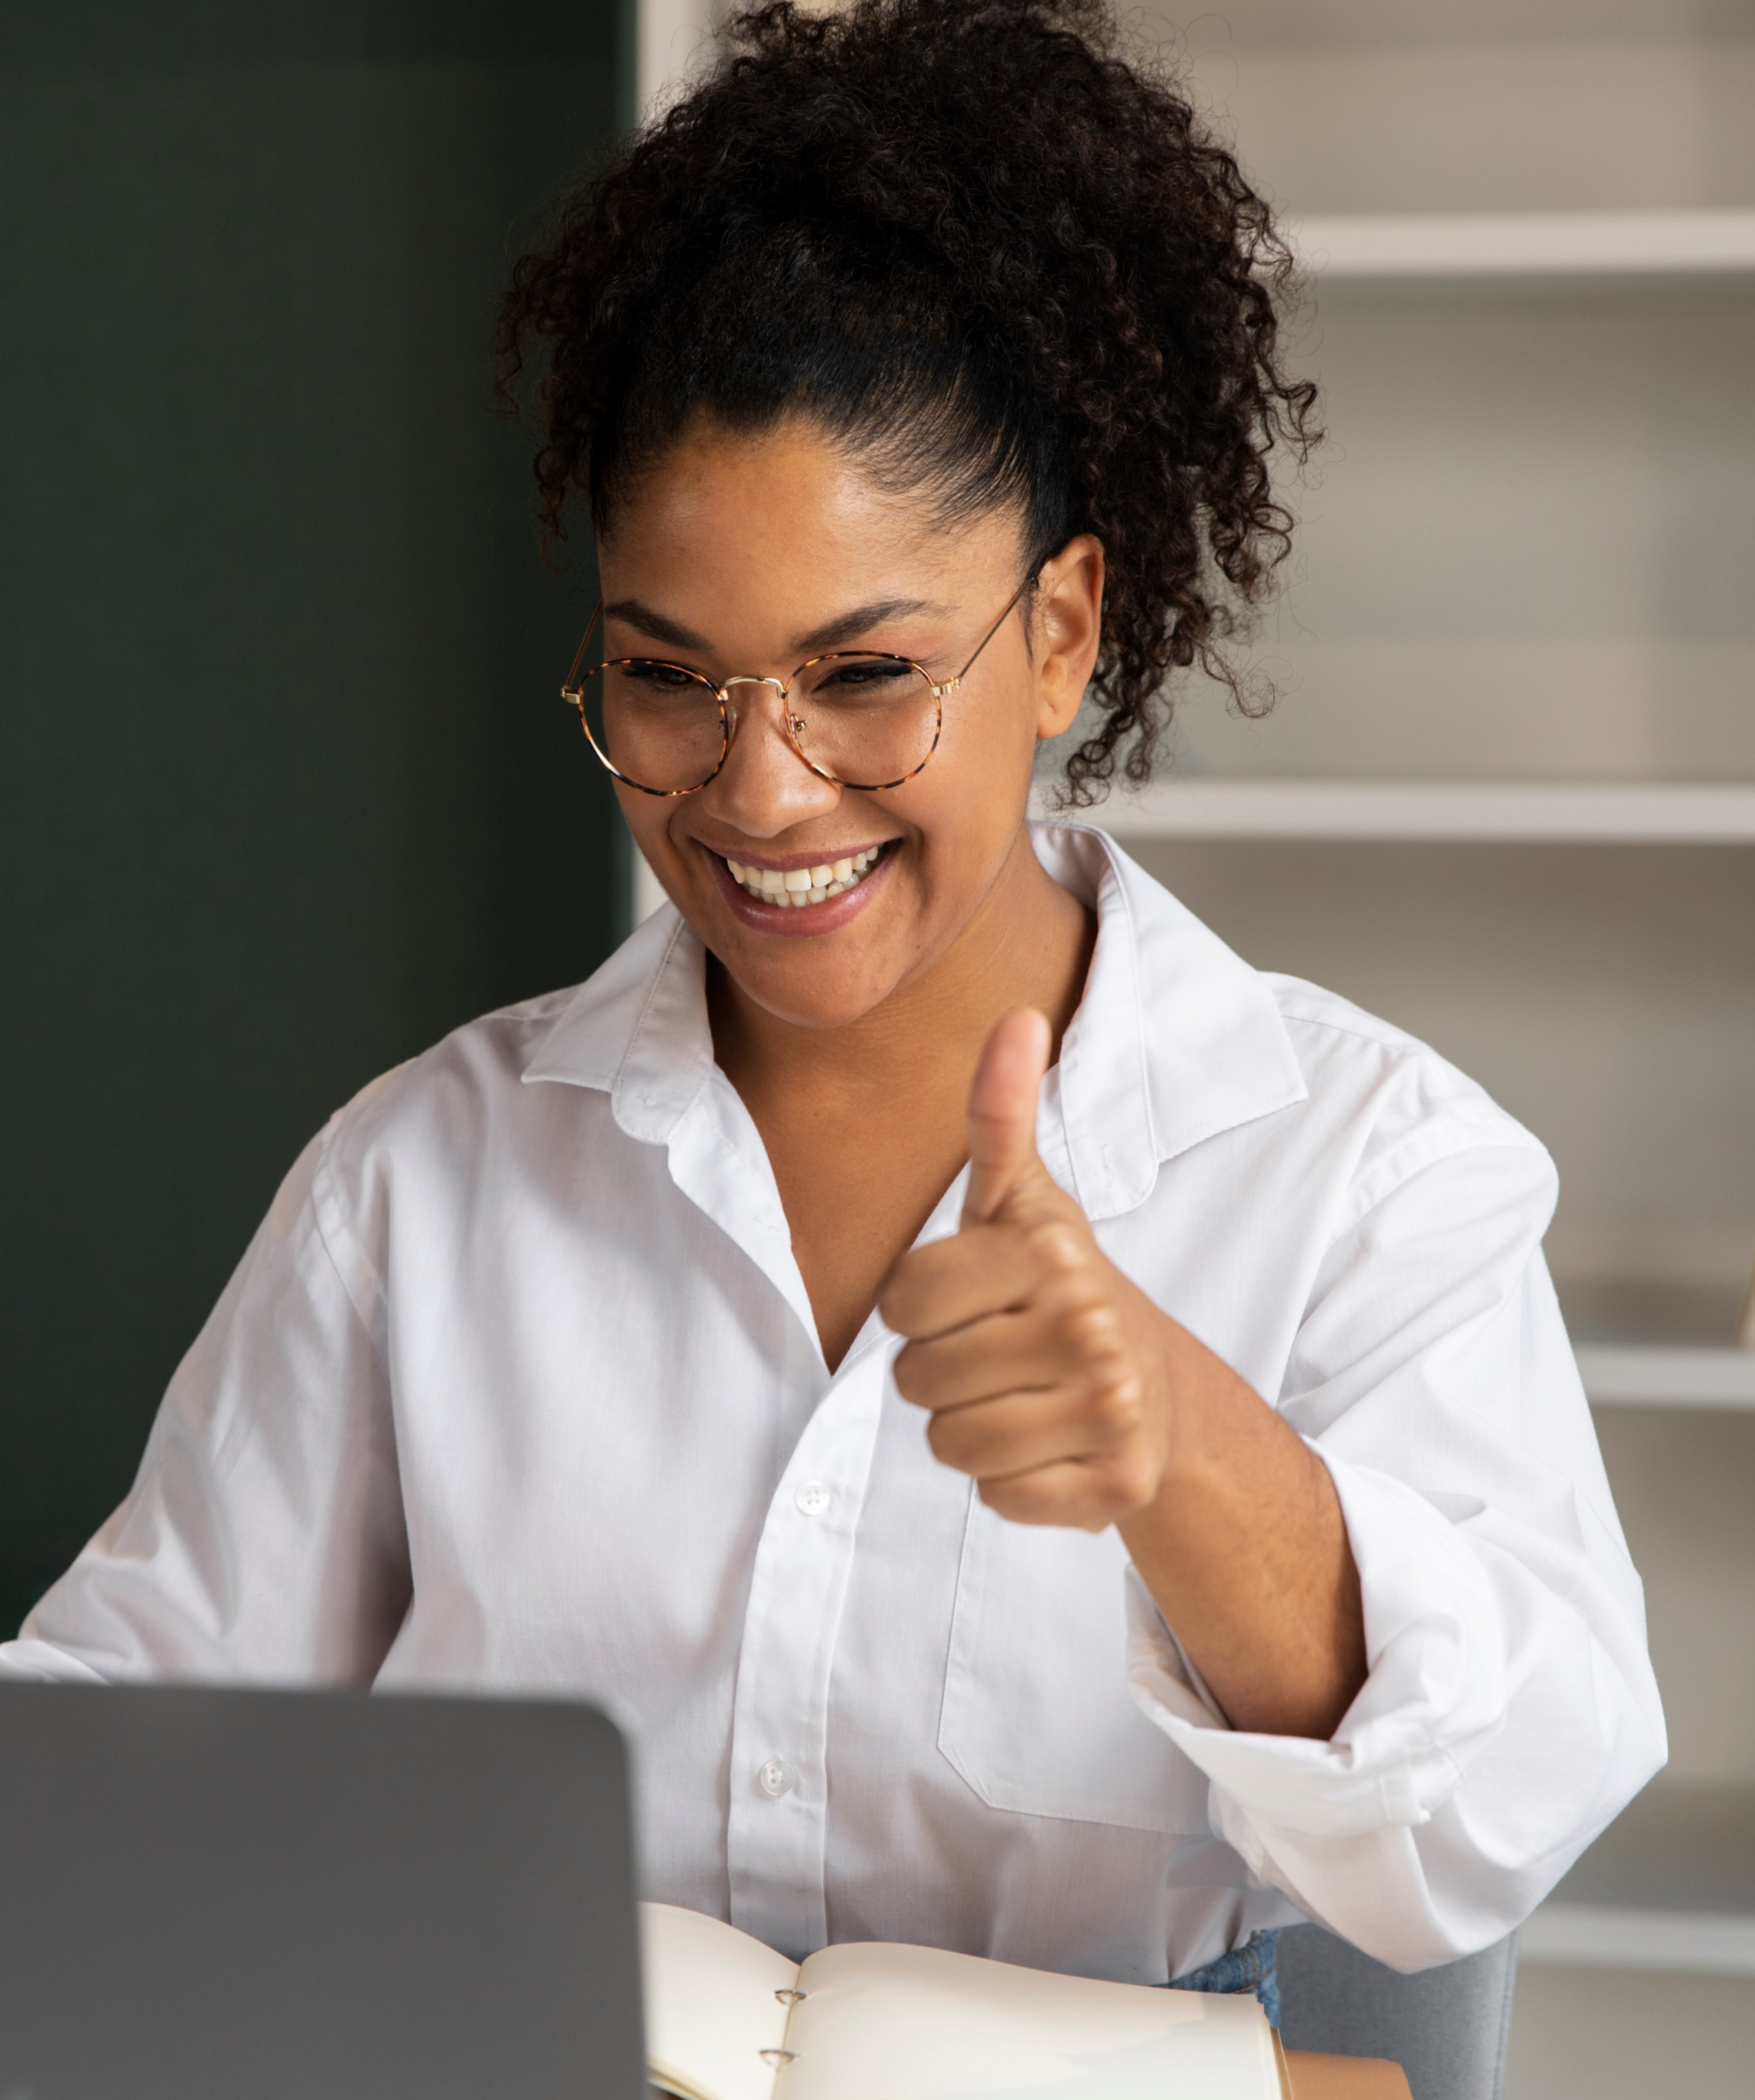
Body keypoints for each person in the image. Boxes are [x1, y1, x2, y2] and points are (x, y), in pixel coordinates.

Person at [2, 0, 1661, 2014]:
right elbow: (99, 1750)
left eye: (865, 675)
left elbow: (1492, 1821)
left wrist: (1173, 1438)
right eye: (664, 675)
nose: (759, 787)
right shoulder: (419, 1182)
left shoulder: (1364, 1170)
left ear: (1058, 634)